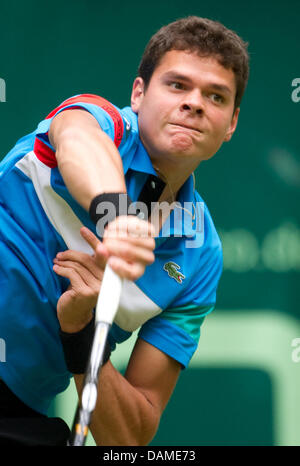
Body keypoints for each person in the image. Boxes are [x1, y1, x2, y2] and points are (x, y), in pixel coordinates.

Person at [0, 16, 249, 445]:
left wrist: (78, 333)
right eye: (177, 85)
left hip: (17, 410)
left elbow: (129, 438)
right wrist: (118, 217)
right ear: (138, 94)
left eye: (216, 96)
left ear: (230, 124)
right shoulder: (97, 119)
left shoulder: (201, 255)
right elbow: (79, 143)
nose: (194, 103)